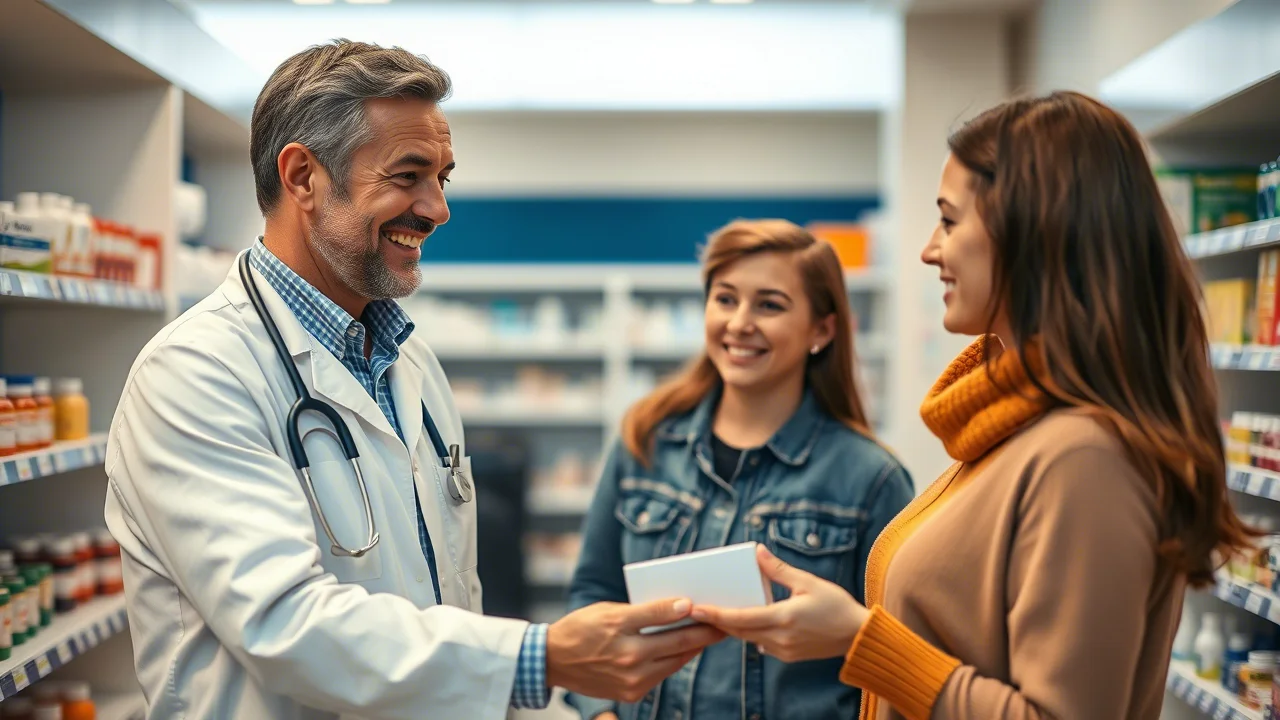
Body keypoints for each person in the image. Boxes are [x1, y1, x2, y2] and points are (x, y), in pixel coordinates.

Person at [103, 40, 722, 719]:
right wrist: (541, 659)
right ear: (304, 177)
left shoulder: (409, 362)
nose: (437, 208)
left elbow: (450, 605)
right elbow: (285, 624)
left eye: (442, 178)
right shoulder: (196, 374)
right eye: (407, 176)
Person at [690, 91, 1256, 720]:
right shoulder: (1014, 431)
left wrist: (860, 640)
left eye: (950, 222)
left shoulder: (1085, 458)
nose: (931, 250)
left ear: (1033, 232)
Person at [565, 219, 914, 720]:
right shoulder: (646, 439)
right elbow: (594, 593)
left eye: (769, 305)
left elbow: (893, 657)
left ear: (822, 329)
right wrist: (600, 711)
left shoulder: (872, 479)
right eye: (725, 299)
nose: (739, 322)